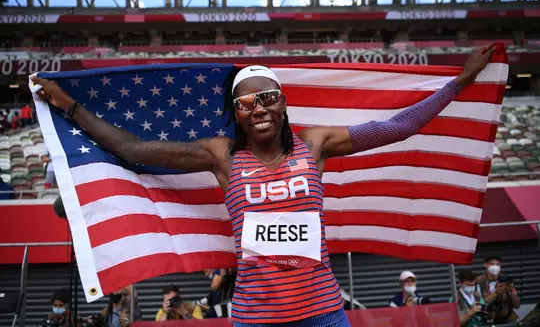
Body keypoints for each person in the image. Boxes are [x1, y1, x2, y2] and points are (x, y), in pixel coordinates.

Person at [31, 46, 496, 327]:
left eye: (268, 98)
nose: (259, 108)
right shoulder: (221, 154)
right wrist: (70, 106)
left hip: (323, 311)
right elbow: (132, 148)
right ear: (236, 112)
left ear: (283, 103)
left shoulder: (315, 144)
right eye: (247, 101)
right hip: (257, 315)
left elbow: (399, 126)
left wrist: (462, 79)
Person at [476, 255, 520, 323]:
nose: (495, 267)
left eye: (497, 264)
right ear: (485, 265)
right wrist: (496, 293)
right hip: (487, 320)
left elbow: (517, 305)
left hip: (507, 319)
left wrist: (511, 291)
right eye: (492, 264)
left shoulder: (506, 279)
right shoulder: (479, 281)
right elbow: (479, 305)